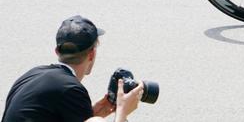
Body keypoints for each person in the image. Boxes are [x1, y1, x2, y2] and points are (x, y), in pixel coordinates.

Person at [2, 16, 143, 122]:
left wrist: (92, 113)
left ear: (57, 51)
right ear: (92, 54)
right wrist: (123, 111)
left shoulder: (32, 75)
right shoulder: (71, 89)